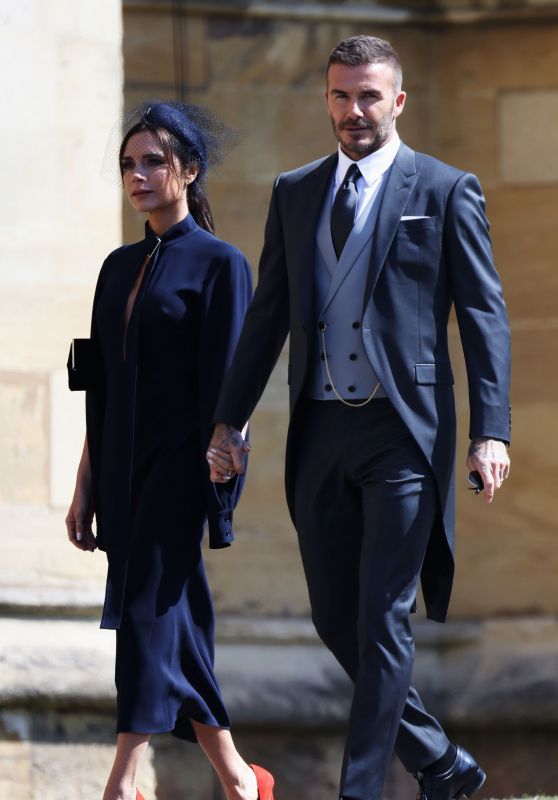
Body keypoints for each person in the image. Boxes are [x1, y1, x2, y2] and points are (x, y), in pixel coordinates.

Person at [207, 36, 511, 800]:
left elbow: (484, 315)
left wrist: (492, 429)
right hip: (319, 429)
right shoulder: (295, 190)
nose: (354, 111)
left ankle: (363, 790)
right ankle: (440, 764)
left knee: (382, 617)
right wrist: (228, 423)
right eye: (341, 96)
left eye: (369, 96)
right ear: (327, 101)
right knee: (335, 618)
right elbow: (267, 315)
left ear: (398, 101)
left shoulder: (445, 189)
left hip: (404, 431)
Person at [66, 101, 275, 800]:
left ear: (189, 170)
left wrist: (225, 460)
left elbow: (232, 386)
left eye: (153, 161)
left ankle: (121, 782)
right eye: (129, 164)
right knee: (169, 616)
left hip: (184, 468)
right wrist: (84, 481)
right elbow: (97, 385)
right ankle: (240, 779)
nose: (138, 175)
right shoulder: (114, 267)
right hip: (122, 472)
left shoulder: (221, 265)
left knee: (149, 608)